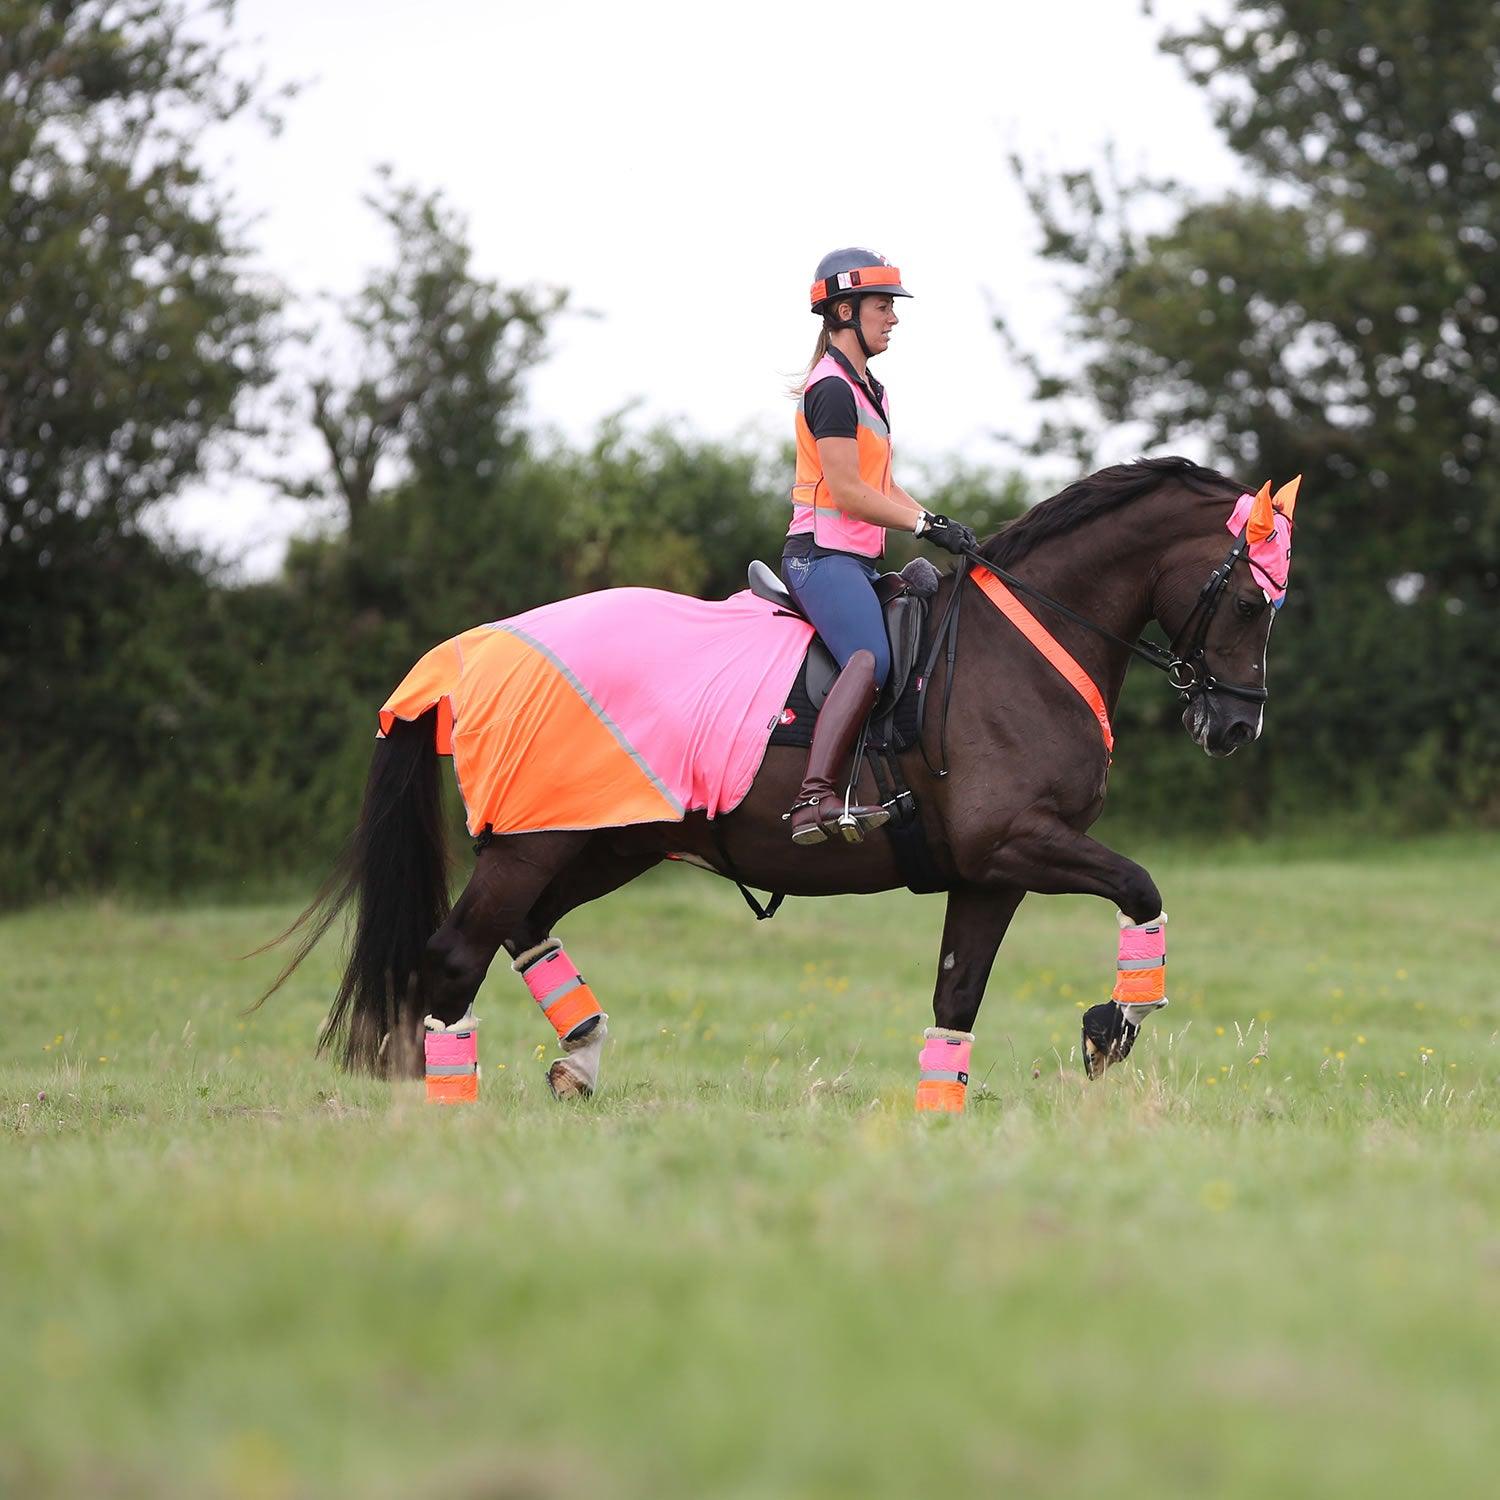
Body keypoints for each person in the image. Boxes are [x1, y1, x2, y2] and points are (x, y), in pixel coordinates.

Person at [782, 247, 975, 846]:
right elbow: (847, 491)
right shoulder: (832, 391)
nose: (893, 318)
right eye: (882, 306)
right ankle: (813, 797)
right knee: (871, 657)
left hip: (859, 560)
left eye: (892, 307)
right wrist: (924, 525)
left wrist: (934, 520)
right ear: (844, 310)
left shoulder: (871, 391)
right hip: (819, 556)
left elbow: (884, 487)